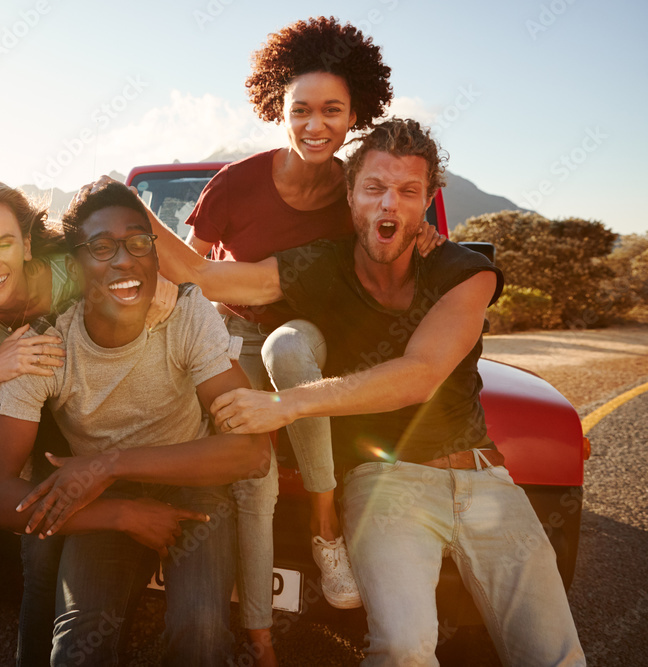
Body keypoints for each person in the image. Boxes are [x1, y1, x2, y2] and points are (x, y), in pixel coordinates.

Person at [143, 117, 586, 665]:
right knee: (402, 650)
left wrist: (284, 405)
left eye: (407, 191)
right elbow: (204, 275)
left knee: (557, 656)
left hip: (484, 477)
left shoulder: (463, 271)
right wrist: (123, 203)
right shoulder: (320, 265)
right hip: (385, 483)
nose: (389, 204)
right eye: (374, 188)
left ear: (426, 202)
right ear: (350, 195)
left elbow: (420, 374)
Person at [178, 17, 440, 659]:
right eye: (301, 109)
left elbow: (395, 232)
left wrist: (423, 234)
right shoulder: (236, 182)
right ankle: (260, 636)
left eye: (332, 110)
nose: (315, 124)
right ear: (279, 109)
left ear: (355, 114)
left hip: (308, 336)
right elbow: (186, 270)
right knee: (255, 477)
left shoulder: (361, 186)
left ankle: (326, 526)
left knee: (286, 349)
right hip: (229, 333)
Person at [0, 182, 270, 666]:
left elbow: (252, 451)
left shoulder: (186, 313)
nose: (125, 260)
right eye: (102, 247)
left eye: (137, 242)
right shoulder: (48, 345)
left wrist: (109, 464)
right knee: (77, 645)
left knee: (200, 632)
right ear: (76, 264)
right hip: (103, 499)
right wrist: (122, 512)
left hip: (192, 483)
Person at [0, 179, 177, 666]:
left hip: (102, 415)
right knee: (39, 555)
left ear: (27, 244)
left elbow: (151, 274)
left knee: (90, 565)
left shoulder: (68, 274)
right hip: (24, 431)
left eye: (3, 244)